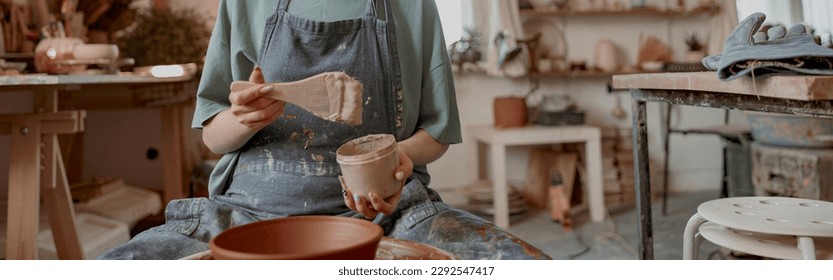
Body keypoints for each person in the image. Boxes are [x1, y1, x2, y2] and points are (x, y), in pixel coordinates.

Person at [99, 0, 550, 260]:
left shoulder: (411, 5)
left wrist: (396, 161)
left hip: (387, 214)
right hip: (245, 215)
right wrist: (242, 118)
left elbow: (437, 133)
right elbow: (212, 136)